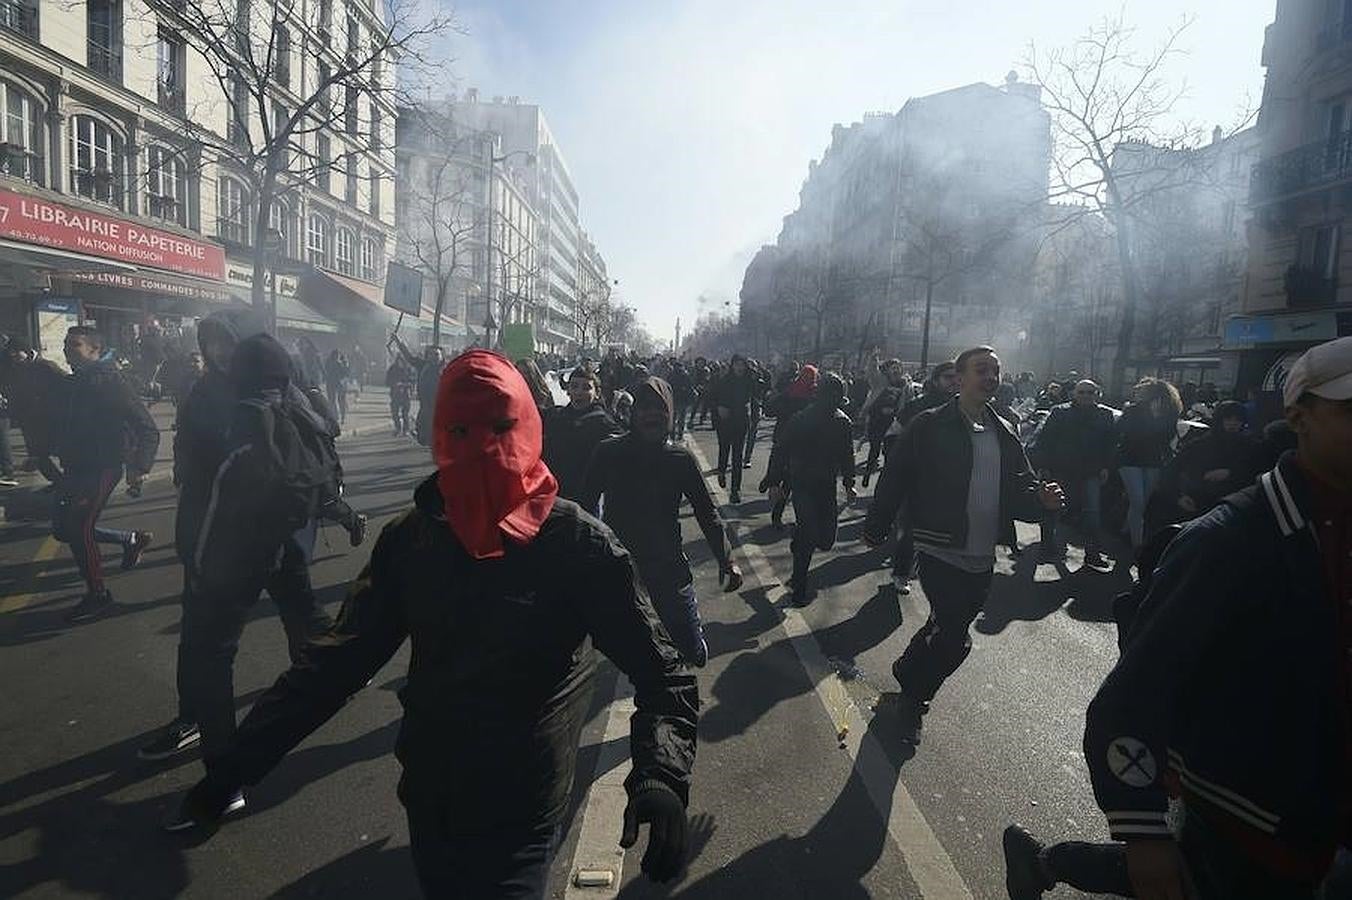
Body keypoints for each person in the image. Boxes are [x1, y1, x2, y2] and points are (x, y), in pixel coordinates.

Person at [167, 351, 699, 899]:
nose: (485, 449)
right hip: (431, 797)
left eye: (500, 428)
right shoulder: (413, 538)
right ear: (440, 433)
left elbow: (664, 673)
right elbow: (333, 664)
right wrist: (234, 767)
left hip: (523, 804)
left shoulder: (576, 543)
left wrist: (661, 774)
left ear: (527, 426)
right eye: (462, 430)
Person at [1002, 335, 1352, 900]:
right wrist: (1143, 832)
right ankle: (1049, 861)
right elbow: (1135, 694)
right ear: (1300, 415)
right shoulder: (1230, 541)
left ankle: (1044, 863)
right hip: (1247, 815)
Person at [139, 318, 342, 761]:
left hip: (234, 541)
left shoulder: (253, 392)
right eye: (208, 344)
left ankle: (214, 749)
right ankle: (320, 682)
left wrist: (198, 556)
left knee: (210, 644)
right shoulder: (226, 388)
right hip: (276, 535)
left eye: (222, 342)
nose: (217, 351)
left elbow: (308, 448)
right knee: (299, 614)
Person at [864, 347, 1062, 741]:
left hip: (982, 552)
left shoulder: (1005, 429)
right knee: (955, 638)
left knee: (947, 627)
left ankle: (908, 669)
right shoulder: (929, 424)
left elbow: (1020, 488)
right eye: (981, 370)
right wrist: (878, 524)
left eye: (996, 371)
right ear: (959, 378)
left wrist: (1042, 503)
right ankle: (914, 704)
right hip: (939, 544)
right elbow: (896, 475)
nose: (990, 377)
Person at [582, 377, 742, 666]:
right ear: (633, 413)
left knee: (692, 653)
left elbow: (706, 513)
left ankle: (692, 644)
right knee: (630, 650)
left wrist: (726, 559)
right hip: (620, 564)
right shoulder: (608, 453)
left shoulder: (680, 459)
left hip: (667, 565)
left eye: (659, 409)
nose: (651, 415)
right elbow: (584, 508)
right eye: (644, 408)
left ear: (669, 413)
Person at [55, 326, 159, 623]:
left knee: (79, 526)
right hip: (75, 466)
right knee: (63, 528)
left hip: (103, 465)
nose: (66, 349)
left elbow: (147, 427)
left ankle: (98, 595)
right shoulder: (72, 382)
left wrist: (139, 467)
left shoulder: (111, 382)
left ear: (95, 350)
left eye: (74, 345)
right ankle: (131, 540)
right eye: (65, 343)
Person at [761, 372, 857, 606]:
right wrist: (774, 481)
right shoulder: (800, 419)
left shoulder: (843, 422)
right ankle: (799, 585)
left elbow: (847, 455)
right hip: (802, 482)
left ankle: (798, 539)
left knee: (826, 540)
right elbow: (780, 450)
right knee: (809, 533)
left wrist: (849, 483)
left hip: (826, 484)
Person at [886, 361, 960, 593]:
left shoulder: (966, 407)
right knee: (911, 528)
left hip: (950, 482)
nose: (953, 382)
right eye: (948, 377)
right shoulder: (917, 406)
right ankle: (901, 573)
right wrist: (903, 464)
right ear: (936, 379)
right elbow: (891, 437)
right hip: (917, 480)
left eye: (957, 377)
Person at [1029, 379, 1117, 566]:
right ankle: (1047, 547)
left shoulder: (1105, 414)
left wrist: (1106, 467)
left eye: (1090, 392)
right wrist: (1043, 466)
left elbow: (1110, 444)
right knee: (1053, 510)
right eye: (1082, 392)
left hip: (1090, 471)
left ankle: (1092, 554)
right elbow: (1045, 438)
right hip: (1061, 470)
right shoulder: (1060, 412)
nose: (1086, 396)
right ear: (1074, 394)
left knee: (1092, 513)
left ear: (1097, 394)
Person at [1149, 399, 1265, 533]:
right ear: (1220, 420)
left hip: (1232, 510)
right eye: (1228, 419)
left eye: (1237, 420)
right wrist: (1178, 496)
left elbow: (1256, 473)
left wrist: (1230, 473)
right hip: (1197, 507)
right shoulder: (1200, 445)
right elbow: (1171, 471)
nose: (1233, 424)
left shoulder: (1250, 447)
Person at [1117, 377, 1183, 551]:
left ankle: (1125, 530)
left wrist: (1157, 418)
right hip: (1129, 459)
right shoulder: (1133, 410)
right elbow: (1123, 432)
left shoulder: (1169, 413)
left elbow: (1167, 438)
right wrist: (1149, 418)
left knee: (1142, 502)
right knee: (1138, 501)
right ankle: (1137, 546)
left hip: (1153, 460)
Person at [542, 367, 622, 502]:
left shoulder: (603, 423)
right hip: (553, 494)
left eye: (586, 388)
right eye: (574, 386)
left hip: (585, 498)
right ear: (568, 391)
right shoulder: (556, 417)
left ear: (597, 393)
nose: (579, 392)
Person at [764, 364, 818, 529]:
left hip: (801, 443)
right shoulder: (793, 391)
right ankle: (778, 510)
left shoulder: (814, 394)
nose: (809, 379)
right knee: (789, 480)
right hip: (790, 441)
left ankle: (781, 513)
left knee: (792, 481)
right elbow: (771, 410)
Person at [713, 355, 756, 503]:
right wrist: (720, 409)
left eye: (742, 365)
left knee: (737, 457)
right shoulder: (725, 381)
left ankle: (735, 490)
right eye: (737, 365)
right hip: (726, 421)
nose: (740, 368)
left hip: (741, 421)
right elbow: (715, 398)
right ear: (732, 366)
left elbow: (759, 391)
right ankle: (721, 471)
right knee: (724, 450)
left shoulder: (749, 380)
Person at [861, 359, 908, 489]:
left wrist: (898, 415)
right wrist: (873, 359)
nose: (896, 370)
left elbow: (903, 403)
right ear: (887, 370)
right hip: (876, 419)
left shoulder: (903, 385)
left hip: (890, 421)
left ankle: (886, 481)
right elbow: (871, 373)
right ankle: (867, 474)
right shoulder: (880, 381)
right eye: (893, 367)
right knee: (874, 449)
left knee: (890, 451)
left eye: (898, 367)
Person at [414, 346, 445, 446]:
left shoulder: (445, 369)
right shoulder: (423, 366)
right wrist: (398, 341)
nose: (434, 357)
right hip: (424, 404)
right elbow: (409, 357)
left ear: (441, 356)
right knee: (421, 430)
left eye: (437, 354)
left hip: (438, 405)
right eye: (431, 354)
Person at [385, 355, 416, 436]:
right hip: (395, 394)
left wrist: (405, 385)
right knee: (394, 412)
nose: (400, 363)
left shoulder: (408, 369)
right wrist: (394, 384)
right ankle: (398, 428)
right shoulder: (392, 369)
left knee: (405, 413)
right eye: (399, 360)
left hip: (405, 394)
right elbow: (387, 381)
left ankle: (406, 429)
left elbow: (413, 380)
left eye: (402, 360)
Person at [324, 349, 350, 425]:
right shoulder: (341, 363)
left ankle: (336, 416)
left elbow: (326, 371)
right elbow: (346, 374)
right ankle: (341, 417)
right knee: (340, 401)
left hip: (332, 383)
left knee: (333, 401)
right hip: (339, 384)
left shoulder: (329, 362)